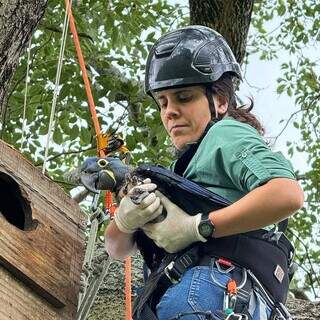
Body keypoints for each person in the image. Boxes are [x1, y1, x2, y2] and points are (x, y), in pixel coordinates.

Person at [101, 26, 304, 320]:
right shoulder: (179, 176)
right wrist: (125, 219)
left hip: (208, 294)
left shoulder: (225, 133)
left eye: (183, 97)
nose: (169, 111)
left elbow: (287, 194)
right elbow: (116, 249)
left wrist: (200, 227)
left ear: (220, 101)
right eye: (163, 102)